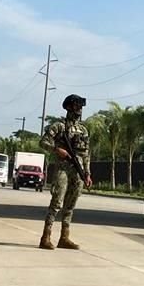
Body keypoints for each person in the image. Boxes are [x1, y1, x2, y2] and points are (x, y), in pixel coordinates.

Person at [39, 94, 92, 250]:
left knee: (71, 204)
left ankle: (64, 237)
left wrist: (87, 173)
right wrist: (57, 150)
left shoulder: (83, 130)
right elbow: (43, 142)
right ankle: (46, 237)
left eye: (81, 107)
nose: (79, 110)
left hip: (78, 169)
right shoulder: (59, 126)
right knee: (57, 202)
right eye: (77, 107)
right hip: (63, 167)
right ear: (69, 107)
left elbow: (86, 153)